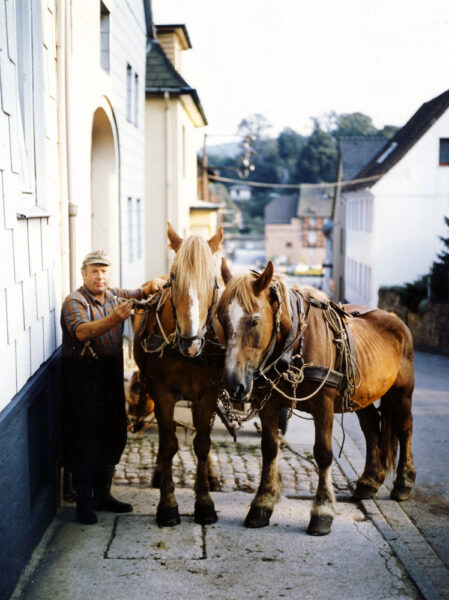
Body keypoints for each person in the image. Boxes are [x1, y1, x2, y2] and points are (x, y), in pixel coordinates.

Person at [61, 250, 165, 524]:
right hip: (83, 377)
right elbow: (82, 331)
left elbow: (141, 293)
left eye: (104, 271)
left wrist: (154, 283)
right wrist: (115, 319)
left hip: (110, 373)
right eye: (94, 271)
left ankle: (103, 495)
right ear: (83, 274)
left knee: (115, 433)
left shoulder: (115, 296)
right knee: (86, 439)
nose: (100, 276)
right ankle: (84, 502)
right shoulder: (75, 301)